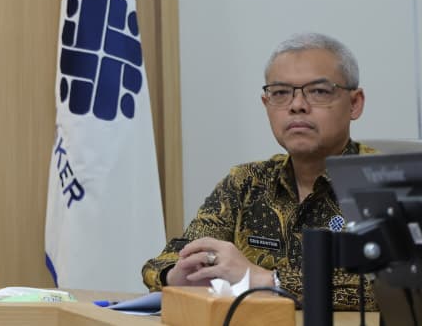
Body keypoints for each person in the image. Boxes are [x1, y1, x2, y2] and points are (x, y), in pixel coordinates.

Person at [141, 32, 375, 310]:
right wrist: (178, 275)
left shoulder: (385, 182)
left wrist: (266, 280)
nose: (297, 105)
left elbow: (395, 289)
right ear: (267, 105)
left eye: (318, 91)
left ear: (355, 103)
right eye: (280, 93)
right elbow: (163, 261)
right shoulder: (247, 182)